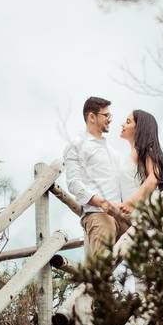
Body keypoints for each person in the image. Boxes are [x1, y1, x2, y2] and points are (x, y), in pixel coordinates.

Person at [63, 96, 129, 260]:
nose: (110, 119)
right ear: (91, 117)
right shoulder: (77, 145)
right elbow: (73, 184)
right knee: (102, 271)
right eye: (106, 116)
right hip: (99, 216)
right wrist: (102, 203)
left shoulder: (113, 151)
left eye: (110, 116)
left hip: (122, 216)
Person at [118, 109, 163, 213]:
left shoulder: (148, 149)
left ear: (139, 128)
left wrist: (132, 203)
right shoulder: (128, 156)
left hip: (148, 213)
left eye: (128, 122)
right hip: (133, 216)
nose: (122, 125)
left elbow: (154, 178)